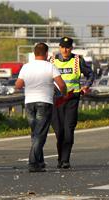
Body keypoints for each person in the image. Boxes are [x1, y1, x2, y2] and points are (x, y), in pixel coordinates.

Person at [15, 43, 66, 172]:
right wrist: (63, 93)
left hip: (29, 102)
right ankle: (33, 162)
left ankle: (40, 161)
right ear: (47, 53)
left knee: (35, 133)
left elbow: (18, 85)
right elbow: (61, 84)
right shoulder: (50, 66)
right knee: (40, 134)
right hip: (45, 102)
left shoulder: (26, 67)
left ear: (34, 53)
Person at [51, 36, 94, 169]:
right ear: (59, 47)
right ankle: (60, 158)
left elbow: (90, 74)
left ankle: (65, 160)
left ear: (71, 48)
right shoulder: (52, 61)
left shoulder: (77, 60)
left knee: (68, 129)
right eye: (63, 47)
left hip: (72, 98)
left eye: (68, 47)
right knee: (59, 131)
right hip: (56, 100)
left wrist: (86, 86)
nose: (65, 50)